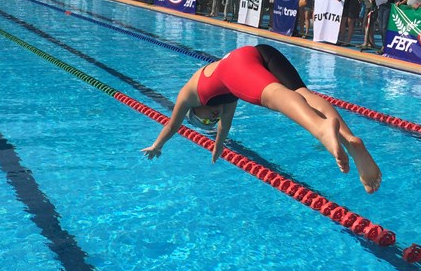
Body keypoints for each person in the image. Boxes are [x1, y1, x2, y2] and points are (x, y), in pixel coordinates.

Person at [141, 44, 382, 193]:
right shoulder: (226, 100)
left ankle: (320, 128)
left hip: (236, 65)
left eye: (205, 121)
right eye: (210, 124)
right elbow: (224, 127)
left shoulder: (188, 96)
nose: (211, 120)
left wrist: (157, 145)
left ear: (195, 112)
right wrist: (217, 147)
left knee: (273, 96)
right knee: (303, 95)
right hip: (260, 52)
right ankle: (350, 141)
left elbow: (173, 124)